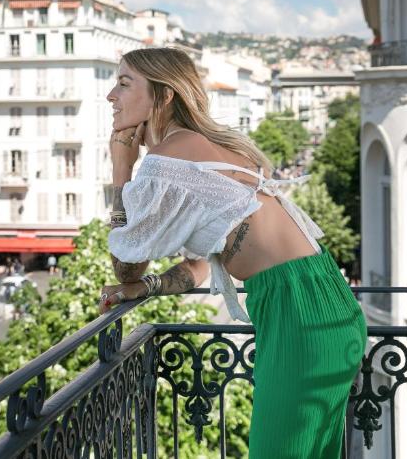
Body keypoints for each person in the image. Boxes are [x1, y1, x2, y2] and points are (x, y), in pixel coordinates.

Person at [102, 48, 366, 459]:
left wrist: (121, 169)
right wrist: (147, 287)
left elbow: (125, 261)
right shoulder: (205, 147)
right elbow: (200, 263)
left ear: (164, 94)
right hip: (321, 299)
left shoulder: (166, 160)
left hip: (299, 313)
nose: (110, 97)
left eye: (123, 83)